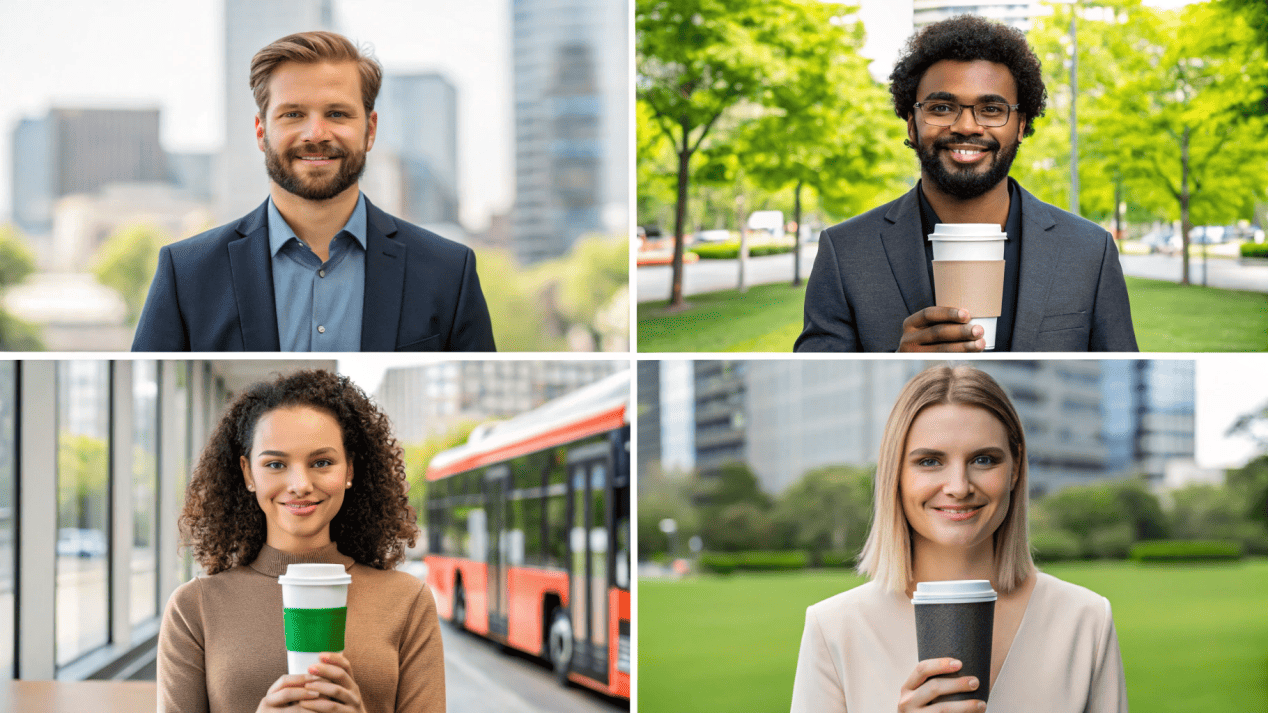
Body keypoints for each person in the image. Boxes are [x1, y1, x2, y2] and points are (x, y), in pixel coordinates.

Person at [790, 366, 1128, 712]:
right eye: (930, 461)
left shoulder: (1086, 619)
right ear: (897, 474)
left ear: (1015, 468)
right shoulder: (833, 628)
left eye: (983, 460)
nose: (958, 487)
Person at [132, 31, 496, 352]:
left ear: (370, 130)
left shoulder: (449, 272)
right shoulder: (187, 274)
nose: (316, 133)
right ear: (262, 132)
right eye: (293, 115)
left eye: (337, 114)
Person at [795, 16, 1137, 353]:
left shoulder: (1090, 251)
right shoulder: (845, 253)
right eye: (942, 107)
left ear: (1021, 125)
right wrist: (899, 365)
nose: (967, 126)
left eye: (991, 109)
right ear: (912, 125)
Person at [158, 369, 444, 713]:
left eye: (321, 462)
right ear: (248, 473)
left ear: (350, 470)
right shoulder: (195, 608)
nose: (300, 484)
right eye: (276, 464)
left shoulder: (407, 602)